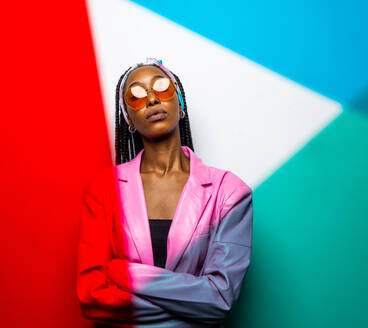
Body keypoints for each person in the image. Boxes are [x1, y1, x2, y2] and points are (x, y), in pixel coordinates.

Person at [76, 58, 253, 328]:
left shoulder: (229, 194)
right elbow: (91, 296)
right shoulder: (104, 189)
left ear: (179, 104)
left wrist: (123, 273)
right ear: (128, 120)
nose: (151, 100)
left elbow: (220, 298)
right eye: (136, 95)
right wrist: (189, 307)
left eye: (161, 88)